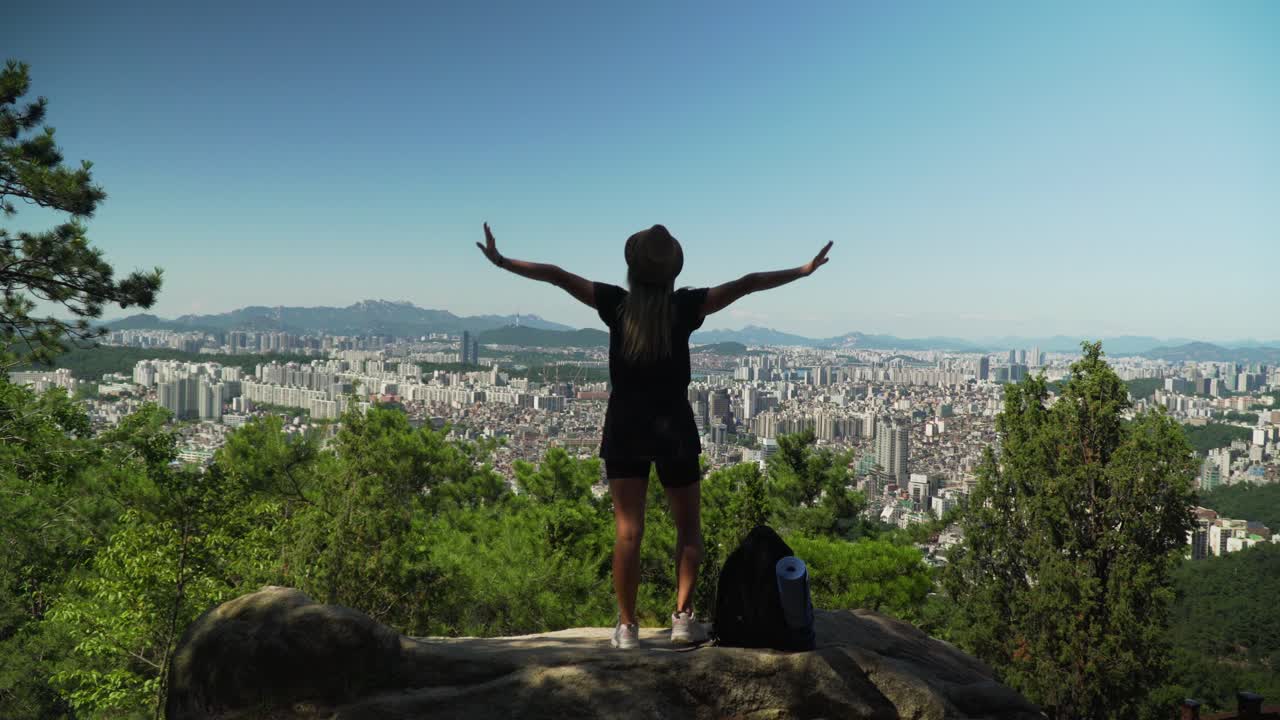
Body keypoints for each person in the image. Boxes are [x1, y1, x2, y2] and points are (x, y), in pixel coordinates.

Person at [476, 222, 832, 649]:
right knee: (689, 532)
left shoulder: (615, 304)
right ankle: (682, 618)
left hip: (625, 426)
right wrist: (803, 270)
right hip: (674, 429)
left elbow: (556, 274)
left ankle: (627, 627)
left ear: (633, 269)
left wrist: (501, 261)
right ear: (673, 273)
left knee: (628, 533)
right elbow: (748, 284)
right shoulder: (685, 307)